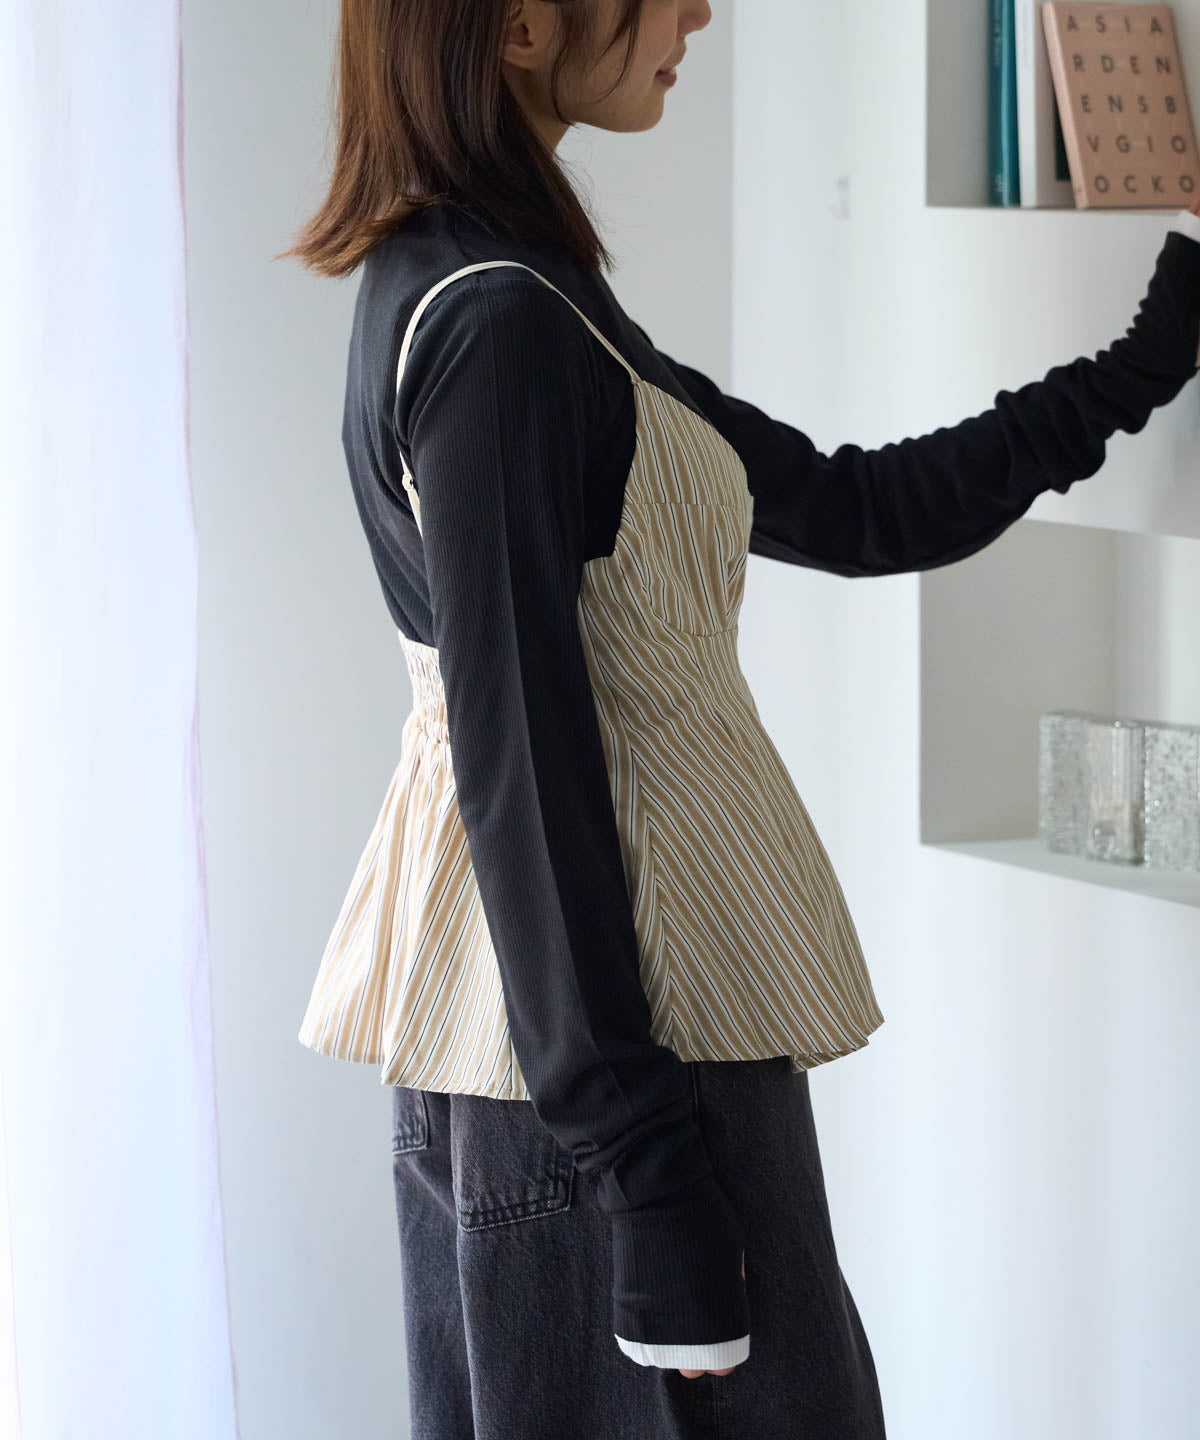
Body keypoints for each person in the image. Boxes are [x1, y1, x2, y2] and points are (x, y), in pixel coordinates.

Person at [284, 1, 1200, 1434]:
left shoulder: (528, 293)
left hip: (594, 1051)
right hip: (611, 1067)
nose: (700, 11)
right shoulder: (495, 326)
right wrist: (648, 1182)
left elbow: (856, 505)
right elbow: (524, 773)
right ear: (520, 25)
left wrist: (1151, 352)